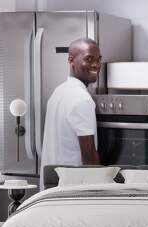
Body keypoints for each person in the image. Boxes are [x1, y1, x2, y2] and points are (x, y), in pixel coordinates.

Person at [40, 38, 101, 189]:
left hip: (52, 186)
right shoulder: (82, 99)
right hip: (73, 188)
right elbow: (89, 157)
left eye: (99, 60)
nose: (96, 65)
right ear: (71, 60)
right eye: (89, 59)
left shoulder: (59, 91)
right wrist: (103, 188)